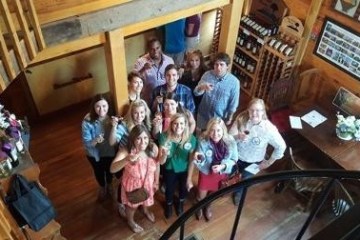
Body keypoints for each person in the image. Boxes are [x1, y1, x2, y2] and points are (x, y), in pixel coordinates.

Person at [229, 98, 286, 205]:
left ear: (263, 112)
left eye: (258, 110)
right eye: (252, 110)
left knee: (245, 179)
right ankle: (225, 187)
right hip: (236, 156)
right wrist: (238, 136)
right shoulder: (241, 119)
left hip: (254, 161)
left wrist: (269, 162)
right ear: (248, 110)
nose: (255, 113)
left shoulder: (269, 129)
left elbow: (281, 146)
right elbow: (229, 137)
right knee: (229, 173)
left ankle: (238, 192)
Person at [110, 124, 159, 233]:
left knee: (146, 199)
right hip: (133, 187)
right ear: (133, 139)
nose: (143, 142)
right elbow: (112, 169)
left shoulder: (152, 148)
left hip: (148, 184)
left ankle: (145, 210)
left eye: (145, 138)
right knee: (132, 207)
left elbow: (157, 164)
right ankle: (130, 221)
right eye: (139, 138)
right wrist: (126, 160)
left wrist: (156, 180)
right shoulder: (125, 151)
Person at [187, 117, 237, 221]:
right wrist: (198, 157)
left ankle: (208, 205)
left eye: (218, 130)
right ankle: (199, 205)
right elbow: (200, 160)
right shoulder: (203, 141)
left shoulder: (230, 141)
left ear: (223, 130)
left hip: (221, 174)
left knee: (214, 194)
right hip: (206, 173)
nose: (215, 134)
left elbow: (234, 159)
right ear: (208, 131)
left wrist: (223, 166)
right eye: (212, 130)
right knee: (201, 195)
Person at [157, 113, 197, 218]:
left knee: (183, 189)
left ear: (185, 124)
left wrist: (189, 179)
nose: (179, 126)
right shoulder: (164, 137)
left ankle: (180, 204)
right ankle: (169, 205)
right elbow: (161, 162)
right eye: (175, 123)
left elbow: (192, 160)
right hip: (169, 169)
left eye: (181, 123)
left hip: (184, 169)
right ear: (171, 124)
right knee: (169, 189)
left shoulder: (191, 139)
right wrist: (164, 154)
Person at [81, 93, 117, 201]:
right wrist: (95, 140)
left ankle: (110, 184)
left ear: (108, 106)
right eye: (98, 106)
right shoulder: (87, 121)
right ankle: (102, 187)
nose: (101, 109)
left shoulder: (113, 117)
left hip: (109, 151)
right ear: (93, 107)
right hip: (94, 154)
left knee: (109, 170)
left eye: (104, 106)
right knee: (99, 171)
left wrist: (115, 126)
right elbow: (86, 142)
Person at [194, 52, 240, 131]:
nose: (218, 67)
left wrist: (230, 117)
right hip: (203, 114)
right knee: (200, 135)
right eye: (216, 64)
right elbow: (196, 92)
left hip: (219, 118)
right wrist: (202, 87)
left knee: (214, 138)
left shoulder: (234, 82)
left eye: (221, 64)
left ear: (227, 66)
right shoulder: (207, 75)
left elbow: (233, 102)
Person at [134, 38, 174, 106]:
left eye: (157, 48)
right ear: (148, 50)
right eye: (152, 49)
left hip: (166, 101)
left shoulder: (169, 61)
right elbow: (134, 79)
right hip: (148, 101)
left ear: (161, 47)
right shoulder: (140, 62)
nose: (155, 51)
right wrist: (143, 69)